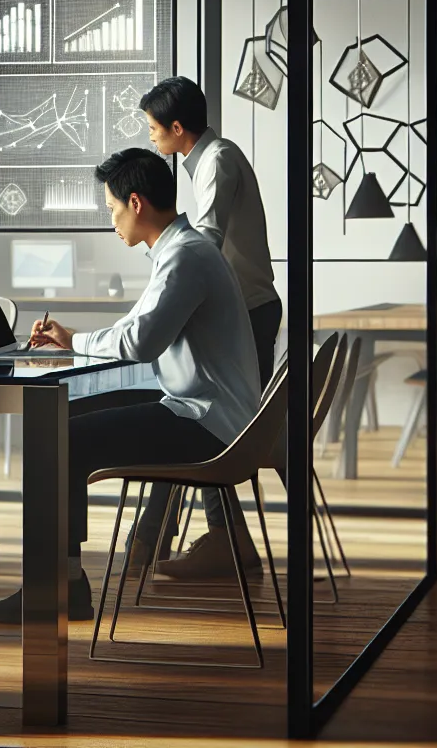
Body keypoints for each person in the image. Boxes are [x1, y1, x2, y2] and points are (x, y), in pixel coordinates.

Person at [0, 148, 261, 624]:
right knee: (61, 417)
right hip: (201, 407)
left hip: (207, 421)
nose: (112, 221)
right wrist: (72, 340)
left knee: (62, 435)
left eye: (110, 209)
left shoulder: (185, 257)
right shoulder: (180, 250)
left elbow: (142, 340)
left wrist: (75, 341)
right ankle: (63, 580)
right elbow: (137, 325)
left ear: (135, 203)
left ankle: (57, 587)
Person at [141, 76, 278, 579]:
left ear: (178, 129)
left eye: (155, 130)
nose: (152, 139)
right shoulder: (211, 158)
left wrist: (173, 286)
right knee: (194, 413)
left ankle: (199, 538)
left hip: (248, 311)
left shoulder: (216, 159)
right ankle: (210, 538)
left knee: (205, 420)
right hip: (246, 309)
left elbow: (208, 241)